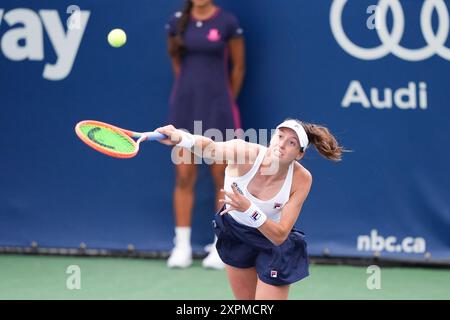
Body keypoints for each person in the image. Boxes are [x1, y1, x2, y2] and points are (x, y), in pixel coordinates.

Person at [155, 119, 345, 299]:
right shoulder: (245, 153)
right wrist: (180, 137)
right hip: (236, 234)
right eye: (279, 137)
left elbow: (279, 235)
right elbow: (210, 149)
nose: (282, 144)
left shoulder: (302, 179)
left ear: (300, 154)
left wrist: (249, 209)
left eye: (292, 143)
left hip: (272, 241)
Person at [164, 0, 245, 269]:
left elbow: (238, 67)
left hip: (218, 108)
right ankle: (182, 246)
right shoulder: (177, 22)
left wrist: (223, 101)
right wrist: (192, 90)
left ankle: (220, 246)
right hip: (185, 107)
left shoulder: (227, 22)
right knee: (185, 174)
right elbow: (177, 64)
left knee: (221, 177)